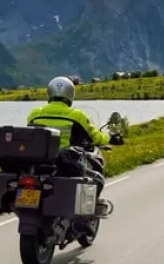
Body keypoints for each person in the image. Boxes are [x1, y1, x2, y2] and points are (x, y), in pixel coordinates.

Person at [27, 76, 111, 212]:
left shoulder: (35, 113)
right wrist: (108, 137)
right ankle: (87, 212)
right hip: (65, 162)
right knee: (97, 178)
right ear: (70, 94)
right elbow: (95, 137)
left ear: (49, 93)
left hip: (38, 162)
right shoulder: (77, 115)